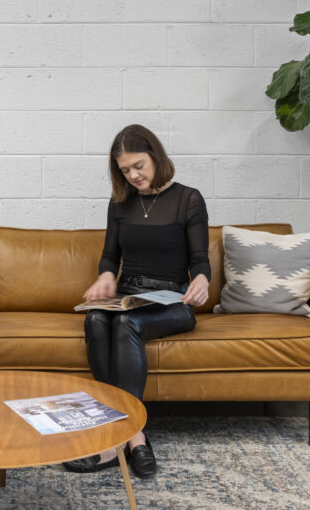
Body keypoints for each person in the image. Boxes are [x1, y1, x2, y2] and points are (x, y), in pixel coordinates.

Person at [63, 124, 211, 479]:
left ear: (156, 157)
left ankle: (123, 436)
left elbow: (200, 260)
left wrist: (203, 280)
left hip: (171, 299)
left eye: (139, 166)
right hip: (129, 294)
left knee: (128, 323)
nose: (133, 175)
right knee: (97, 319)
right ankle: (128, 438)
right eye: (125, 170)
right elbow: (109, 256)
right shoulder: (120, 203)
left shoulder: (188, 199)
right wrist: (105, 276)